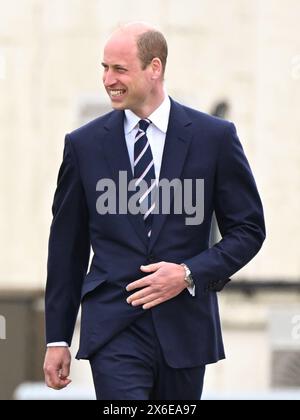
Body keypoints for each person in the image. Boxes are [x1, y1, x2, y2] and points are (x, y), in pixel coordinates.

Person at [43, 22, 265, 400]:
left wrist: (188, 273)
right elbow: (67, 248)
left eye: (119, 69)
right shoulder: (84, 146)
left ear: (155, 67)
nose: (107, 79)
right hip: (113, 326)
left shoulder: (215, 138)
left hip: (185, 328)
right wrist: (57, 337)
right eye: (104, 67)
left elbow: (249, 230)